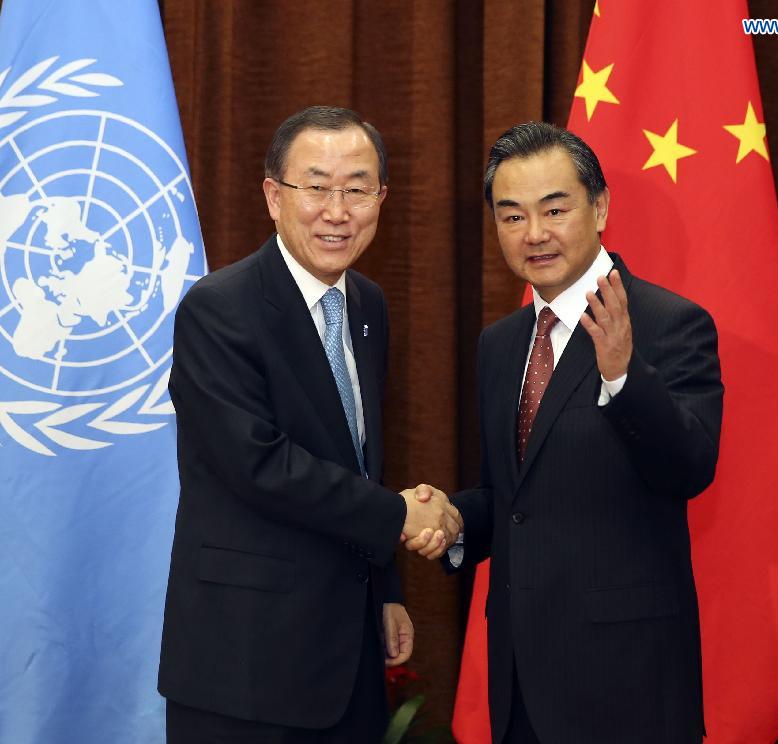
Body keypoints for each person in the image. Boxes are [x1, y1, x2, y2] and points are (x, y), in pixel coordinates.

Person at [407, 122, 723, 743]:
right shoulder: (500, 345)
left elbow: (689, 470)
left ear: (600, 207)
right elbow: (518, 498)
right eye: (513, 215)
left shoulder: (669, 323)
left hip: (627, 682)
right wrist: (455, 520)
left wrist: (625, 378)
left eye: (555, 209)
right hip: (521, 677)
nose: (536, 234)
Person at [158, 106, 460, 743]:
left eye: (356, 188)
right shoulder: (219, 309)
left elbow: (356, 459)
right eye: (316, 186)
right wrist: (399, 516)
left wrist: (385, 589)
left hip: (346, 656)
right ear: (273, 196)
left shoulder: (368, 305)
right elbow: (260, 464)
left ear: (380, 198)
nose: (337, 209)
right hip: (244, 664)